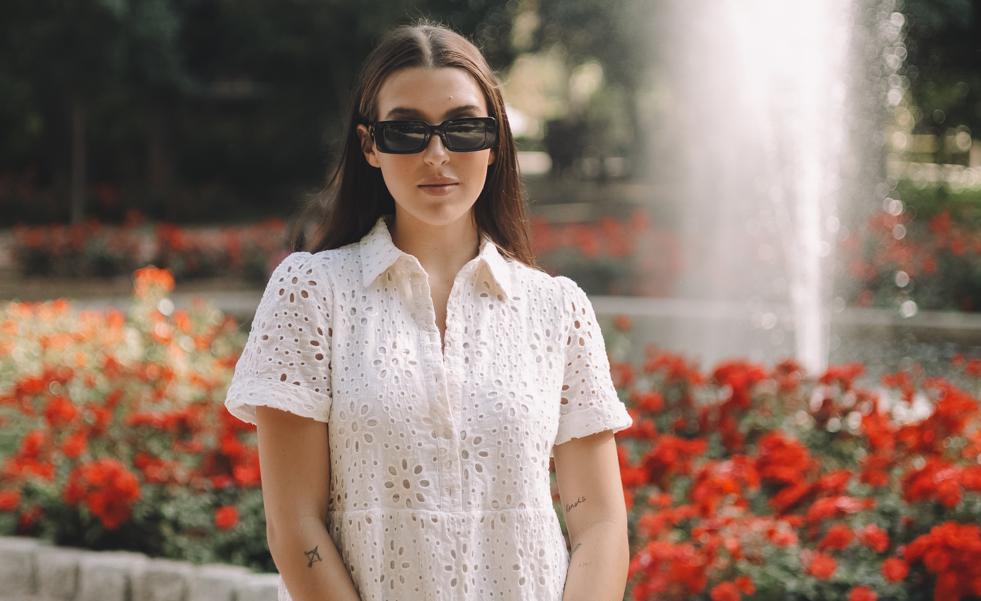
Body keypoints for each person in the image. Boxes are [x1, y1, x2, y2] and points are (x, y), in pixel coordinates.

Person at [223, 17, 633, 601]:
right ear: (369, 145)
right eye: (406, 132)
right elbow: (294, 525)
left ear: (493, 143)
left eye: (464, 128)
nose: (437, 153)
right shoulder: (312, 292)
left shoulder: (557, 309)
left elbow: (600, 525)